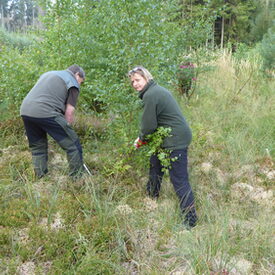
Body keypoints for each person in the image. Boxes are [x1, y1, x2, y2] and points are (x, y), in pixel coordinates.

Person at [128, 66, 197, 228]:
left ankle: (190, 221)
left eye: (138, 80)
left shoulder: (151, 95)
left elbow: (148, 126)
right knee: (155, 165)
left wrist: (141, 139)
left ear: (146, 78)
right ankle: (151, 198)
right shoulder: (155, 91)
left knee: (179, 180)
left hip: (175, 140)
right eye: (132, 82)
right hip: (165, 138)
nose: (135, 84)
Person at [20, 64, 85, 179]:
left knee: (37, 146)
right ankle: (77, 179)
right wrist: (67, 129)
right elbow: (69, 112)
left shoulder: (49, 74)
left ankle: (41, 178)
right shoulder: (73, 83)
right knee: (73, 144)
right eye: (81, 81)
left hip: (26, 111)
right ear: (77, 75)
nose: (80, 84)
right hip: (46, 111)